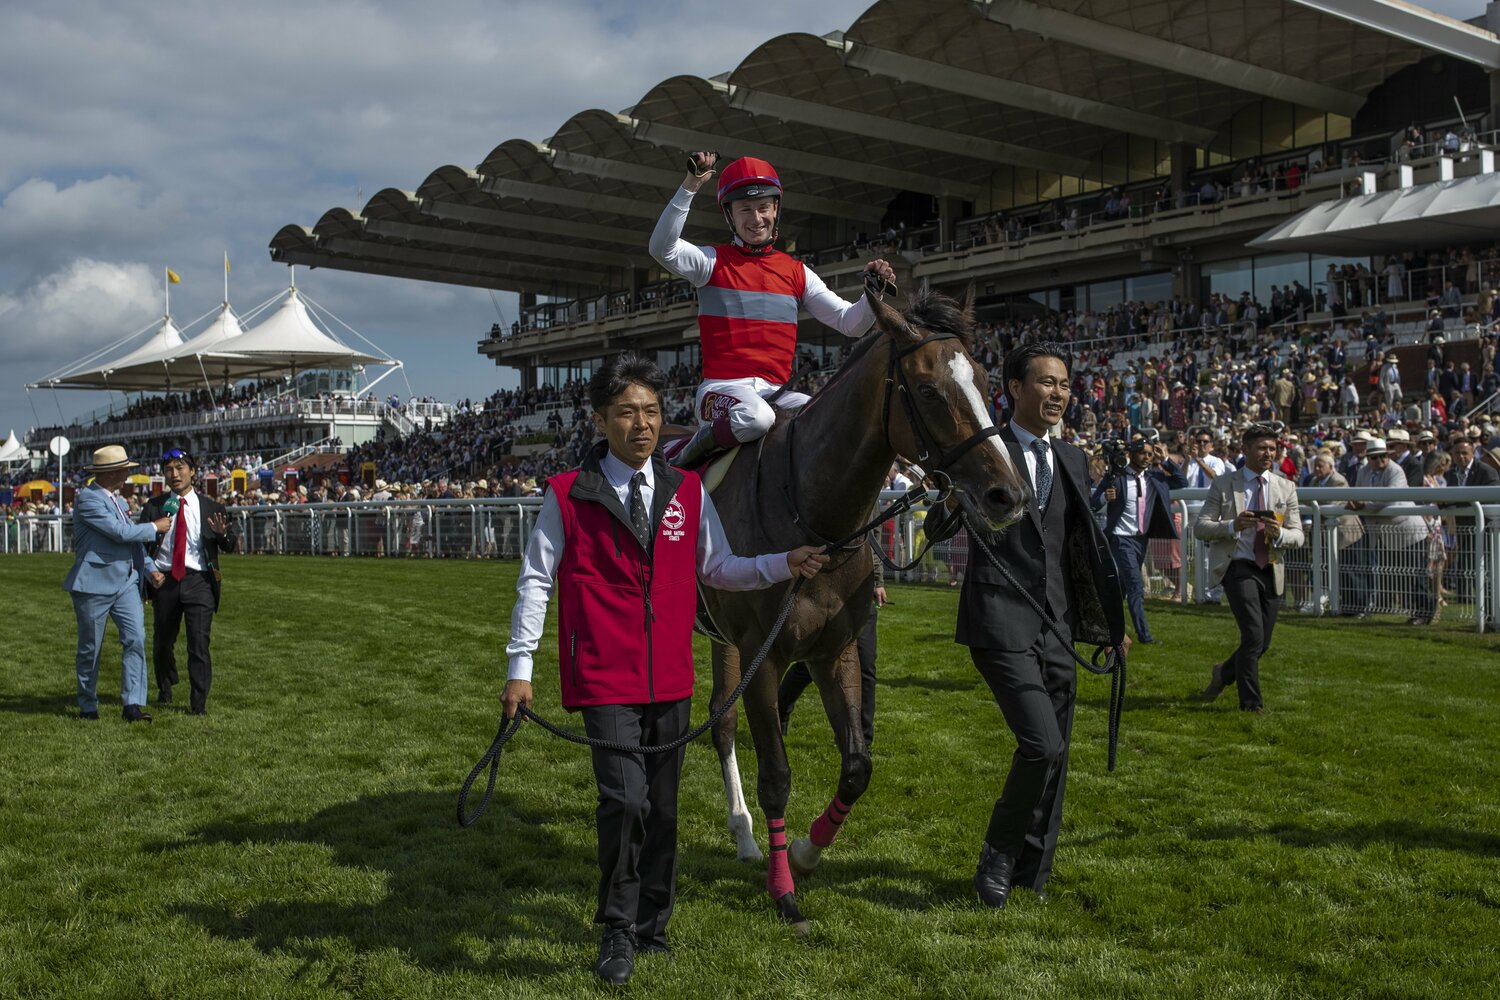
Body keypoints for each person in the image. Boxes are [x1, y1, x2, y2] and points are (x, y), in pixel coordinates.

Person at [497, 354, 828, 985]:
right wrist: (520, 667)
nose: (643, 424)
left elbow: (720, 568)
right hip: (604, 678)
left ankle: (653, 928)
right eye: (627, 412)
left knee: (664, 811)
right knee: (625, 802)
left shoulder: (687, 490)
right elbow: (536, 580)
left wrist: (783, 563)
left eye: (651, 411)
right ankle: (618, 930)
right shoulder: (566, 494)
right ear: (601, 422)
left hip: (671, 678)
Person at [924, 341, 1128, 910]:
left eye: (1064, 384)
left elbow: (1083, 547)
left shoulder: (1073, 460)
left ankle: (1032, 873)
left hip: (1058, 624)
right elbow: (936, 530)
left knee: (1057, 754)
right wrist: (951, 499)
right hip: (999, 620)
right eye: (1046, 382)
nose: (1058, 393)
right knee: (1041, 743)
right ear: (1015, 388)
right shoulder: (985, 450)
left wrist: (1109, 623)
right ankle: (997, 853)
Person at [649, 151, 896, 466]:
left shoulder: (797, 272)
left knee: (830, 419)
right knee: (757, 418)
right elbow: (662, 248)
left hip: (778, 394)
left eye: (763, 207)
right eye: (745, 209)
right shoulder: (710, 262)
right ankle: (684, 458)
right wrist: (691, 185)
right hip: (720, 393)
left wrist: (873, 292)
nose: (756, 219)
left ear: (776, 209)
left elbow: (851, 323)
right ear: (729, 214)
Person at [1194, 425, 1305, 713]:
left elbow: (1298, 535)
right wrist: (1233, 525)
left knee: (1262, 643)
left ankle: (1224, 672)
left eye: (1272, 448)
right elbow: (1201, 527)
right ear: (1245, 450)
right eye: (1261, 448)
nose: (1268, 453)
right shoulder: (1224, 484)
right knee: (1253, 636)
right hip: (1237, 566)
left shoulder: (1286, 487)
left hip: (1271, 567)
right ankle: (1251, 704)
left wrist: (1280, 534)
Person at [61, 445, 172, 722]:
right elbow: (120, 533)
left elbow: (131, 541)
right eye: (124, 469)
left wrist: (150, 569)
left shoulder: (117, 501)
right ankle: (88, 705)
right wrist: (154, 527)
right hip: (93, 585)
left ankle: (132, 704)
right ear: (111, 473)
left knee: (136, 639)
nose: (127, 474)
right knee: (91, 649)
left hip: (125, 582)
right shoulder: (88, 500)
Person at [138, 448, 240, 714]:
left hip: (199, 581)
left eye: (180, 468)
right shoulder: (154, 507)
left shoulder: (212, 508)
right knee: (162, 643)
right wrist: (150, 573)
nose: (174, 474)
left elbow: (230, 545)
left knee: (198, 643)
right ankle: (165, 687)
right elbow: (139, 546)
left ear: (193, 472)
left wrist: (221, 535)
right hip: (165, 581)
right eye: (169, 470)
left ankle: (198, 704)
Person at [778, 538, 882, 744]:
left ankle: (862, 741)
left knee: (866, 666)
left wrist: (878, 581)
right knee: (811, 665)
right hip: (826, 589)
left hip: (859, 591)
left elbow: (873, 540)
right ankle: (781, 706)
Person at [1091, 434, 1185, 644]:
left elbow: (1181, 481)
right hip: (1120, 538)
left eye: (1150, 454)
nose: (1147, 457)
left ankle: (1106, 621)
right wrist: (1105, 497)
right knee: (1135, 584)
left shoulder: (1155, 477)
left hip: (1141, 539)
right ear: (1131, 454)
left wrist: (1165, 459)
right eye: (1142, 453)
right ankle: (1145, 636)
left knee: (1123, 586)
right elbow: (1093, 502)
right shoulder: (1116, 476)